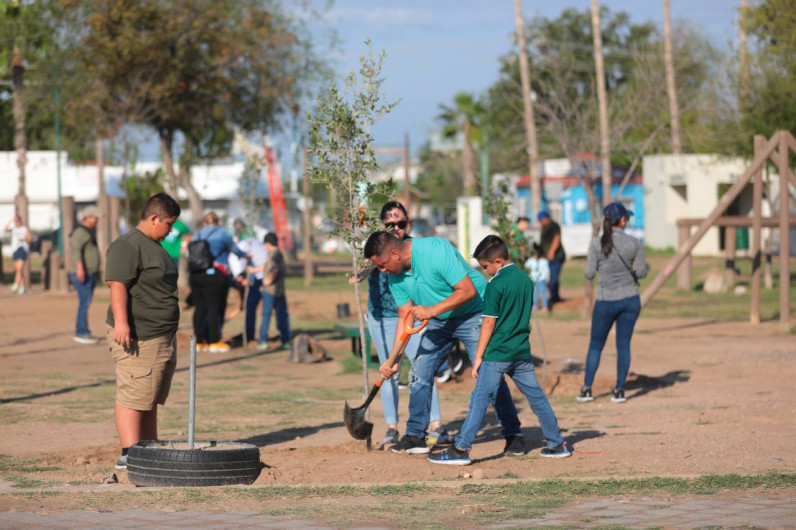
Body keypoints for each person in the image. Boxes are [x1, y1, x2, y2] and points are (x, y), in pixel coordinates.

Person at [365, 231, 522, 455]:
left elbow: (466, 290)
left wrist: (431, 310)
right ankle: (416, 435)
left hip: (474, 311)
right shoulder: (394, 275)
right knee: (419, 371)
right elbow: (405, 315)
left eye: (382, 265)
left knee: (489, 373)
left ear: (394, 253)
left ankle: (513, 434)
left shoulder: (436, 251)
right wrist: (394, 359)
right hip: (440, 320)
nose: (382, 271)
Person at [428, 235, 570, 465]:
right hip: (521, 352)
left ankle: (461, 448)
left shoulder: (495, 285)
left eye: (486, 267)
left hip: (498, 353)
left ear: (499, 262)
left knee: (479, 400)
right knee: (537, 398)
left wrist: (478, 357)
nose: (485, 272)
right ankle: (557, 443)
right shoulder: (526, 280)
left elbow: (488, 323)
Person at [352, 201, 448, 448]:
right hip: (381, 317)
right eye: (390, 223)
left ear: (409, 224)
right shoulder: (377, 249)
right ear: (383, 225)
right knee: (387, 371)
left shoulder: (415, 250)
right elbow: (365, 267)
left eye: (401, 223)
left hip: (411, 317)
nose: (396, 227)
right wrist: (361, 273)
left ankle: (436, 424)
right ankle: (392, 427)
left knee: (422, 367)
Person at [105, 193, 181, 470]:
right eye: (169, 224)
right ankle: (129, 454)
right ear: (154, 218)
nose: (170, 230)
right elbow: (117, 285)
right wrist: (123, 324)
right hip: (139, 336)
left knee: (149, 395)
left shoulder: (153, 245)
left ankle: (149, 448)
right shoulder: (127, 245)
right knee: (134, 394)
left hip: (160, 336)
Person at [577, 202, 648, 404]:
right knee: (623, 345)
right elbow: (642, 272)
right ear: (623, 220)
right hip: (630, 299)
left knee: (596, 346)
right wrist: (632, 273)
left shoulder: (595, 244)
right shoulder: (634, 243)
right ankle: (619, 390)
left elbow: (589, 274)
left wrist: (600, 265)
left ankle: (587, 390)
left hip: (605, 301)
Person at [190, 212, 247, 354]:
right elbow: (236, 250)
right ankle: (214, 341)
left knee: (199, 308)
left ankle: (199, 342)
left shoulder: (198, 234)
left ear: (204, 222)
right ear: (218, 222)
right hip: (215, 274)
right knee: (214, 308)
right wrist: (247, 255)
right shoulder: (223, 233)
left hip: (196, 275)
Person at [70, 206, 102, 344]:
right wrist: (80, 269)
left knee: (86, 303)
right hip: (83, 273)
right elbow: (76, 251)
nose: (97, 220)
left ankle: (84, 330)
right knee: (84, 303)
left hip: (90, 272)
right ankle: (81, 332)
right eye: (95, 218)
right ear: (87, 217)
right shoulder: (80, 232)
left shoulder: (89, 231)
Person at [233, 219, 268, 344]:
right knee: (256, 306)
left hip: (260, 276)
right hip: (259, 275)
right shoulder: (250, 239)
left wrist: (240, 276)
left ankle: (250, 335)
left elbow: (238, 258)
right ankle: (250, 334)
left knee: (252, 306)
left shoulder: (244, 241)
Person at [256, 232, 291, 350]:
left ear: (267, 243)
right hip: (280, 290)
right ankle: (285, 340)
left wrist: (267, 281)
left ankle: (263, 340)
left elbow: (274, 269)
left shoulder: (273, 255)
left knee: (266, 315)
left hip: (270, 291)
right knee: (282, 316)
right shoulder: (279, 254)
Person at [538, 211, 566, 306]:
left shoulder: (554, 226)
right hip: (548, 257)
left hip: (556, 256)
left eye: (542, 219)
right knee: (550, 278)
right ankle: (555, 297)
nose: (541, 222)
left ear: (546, 217)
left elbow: (556, 239)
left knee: (553, 278)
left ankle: (555, 298)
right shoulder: (544, 228)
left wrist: (551, 252)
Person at [5, 215, 31, 295]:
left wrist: (23, 239)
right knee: (18, 270)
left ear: (20, 221)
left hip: (22, 249)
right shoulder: (14, 229)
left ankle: (16, 284)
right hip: (14, 250)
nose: (16, 223)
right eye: (15, 222)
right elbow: (5, 229)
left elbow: (30, 239)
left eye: (17, 221)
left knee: (19, 269)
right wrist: (11, 220)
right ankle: (23, 287)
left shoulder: (24, 229)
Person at [525, 243, 550, 312]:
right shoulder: (530, 260)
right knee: (535, 294)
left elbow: (546, 270)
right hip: (534, 280)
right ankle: (535, 306)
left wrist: (547, 277)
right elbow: (525, 268)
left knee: (543, 293)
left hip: (541, 280)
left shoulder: (544, 261)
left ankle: (545, 306)